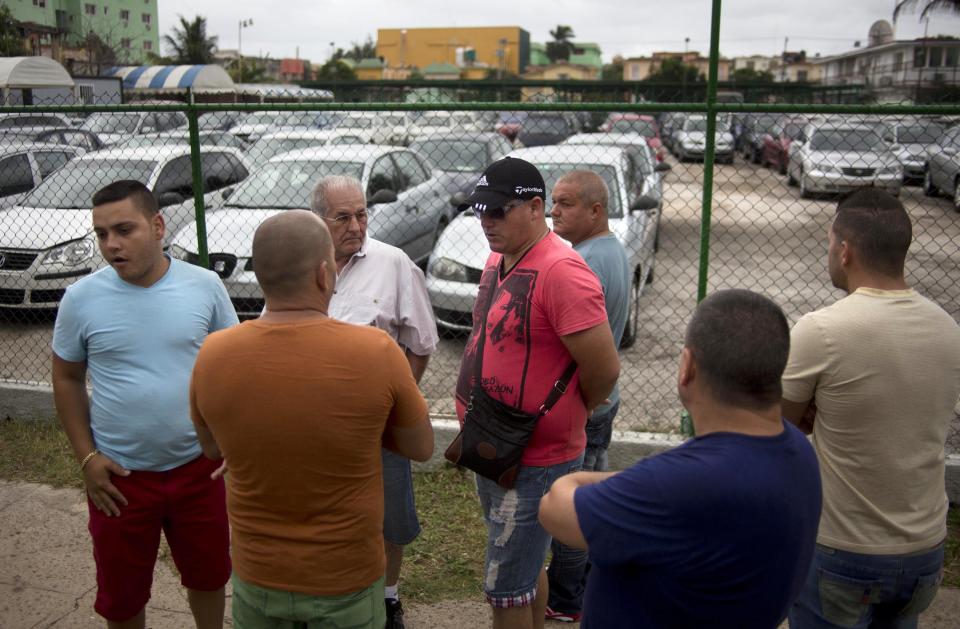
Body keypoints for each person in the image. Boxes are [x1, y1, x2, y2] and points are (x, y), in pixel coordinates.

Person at [190, 210, 435, 628]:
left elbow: (213, 448)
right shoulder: (376, 352)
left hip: (257, 577)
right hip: (346, 579)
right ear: (325, 275)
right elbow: (421, 447)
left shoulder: (212, 353)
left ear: (261, 276)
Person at [539, 288, 822, 629]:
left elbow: (555, 508)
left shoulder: (681, 485)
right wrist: (641, 481)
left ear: (687, 367)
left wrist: (577, 478)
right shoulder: (798, 451)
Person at [51, 180, 238, 629]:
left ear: (157, 226)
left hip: (199, 468)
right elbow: (67, 377)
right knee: (122, 593)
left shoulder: (205, 286)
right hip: (120, 478)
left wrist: (234, 439)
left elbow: (232, 366)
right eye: (101, 234)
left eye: (123, 229)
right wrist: (88, 459)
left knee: (209, 576)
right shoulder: (81, 299)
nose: (111, 244)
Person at [454, 157, 621, 629]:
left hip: (536, 456)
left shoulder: (564, 272)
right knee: (524, 570)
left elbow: (604, 369)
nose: (485, 222)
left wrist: (568, 411)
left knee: (504, 589)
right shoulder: (500, 256)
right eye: (479, 212)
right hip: (491, 440)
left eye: (497, 212)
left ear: (534, 207)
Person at [782, 188, 960, 629]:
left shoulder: (821, 331)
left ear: (844, 250)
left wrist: (815, 411)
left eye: (829, 244)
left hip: (844, 550)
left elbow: (777, 423)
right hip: (924, 549)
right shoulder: (947, 329)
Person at [309, 174, 439, 629]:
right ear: (318, 220)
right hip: (316, 429)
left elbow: (421, 342)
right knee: (328, 516)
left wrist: (399, 401)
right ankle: (332, 594)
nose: (356, 226)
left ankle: (388, 598)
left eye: (362, 214)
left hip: (379, 425)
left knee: (392, 519)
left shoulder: (394, 263)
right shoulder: (302, 265)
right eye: (342, 217)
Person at [544, 170, 631, 623]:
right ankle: (588, 583)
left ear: (596, 210)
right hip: (604, 398)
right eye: (553, 202)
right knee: (594, 499)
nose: (553, 211)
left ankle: (565, 597)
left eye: (566, 203)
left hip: (587, 402)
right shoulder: (613, 251)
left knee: (575, 505)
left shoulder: (584, 264)